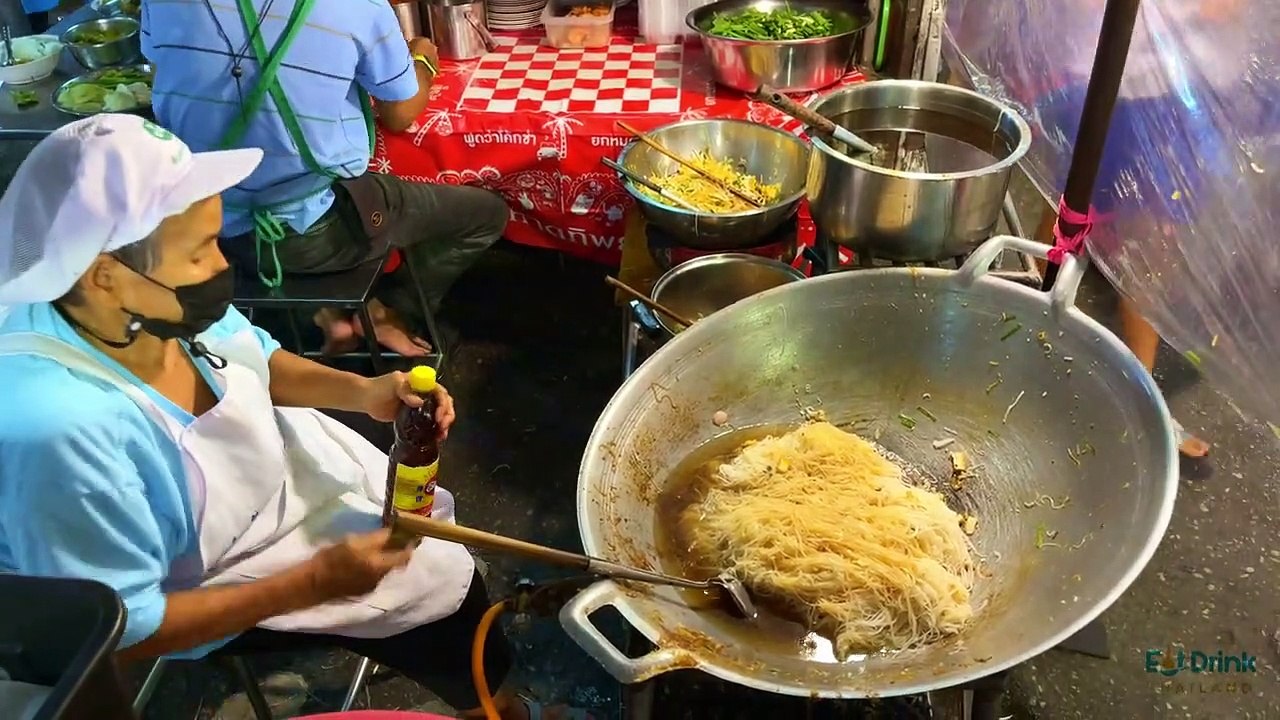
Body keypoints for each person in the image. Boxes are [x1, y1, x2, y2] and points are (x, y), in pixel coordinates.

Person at [0, 115, 586, 720]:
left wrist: (364, 392)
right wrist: (311, 583)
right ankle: (498, 710)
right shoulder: (58, 430)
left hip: (278, 477)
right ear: (104, 275)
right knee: (443, 602)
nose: (220, 267)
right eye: (199, 253)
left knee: (434, 554)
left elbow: (253, 355)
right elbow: (122, 629)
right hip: (215, 571)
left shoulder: (143, 304)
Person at [139, 0, 508, 357]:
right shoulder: (359, 6)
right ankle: (391, 310)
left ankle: (326, 313)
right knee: (486, 214)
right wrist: (423, 59)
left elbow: (170, 70)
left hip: (203, 224)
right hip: (312, 233)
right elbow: (399, 114)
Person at [1032, 0, 1259, 458]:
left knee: (1154, 243)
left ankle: (1141, 395)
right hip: (1114, 72)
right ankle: (1020, 334)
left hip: (1185, 88)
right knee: (1068, 215)